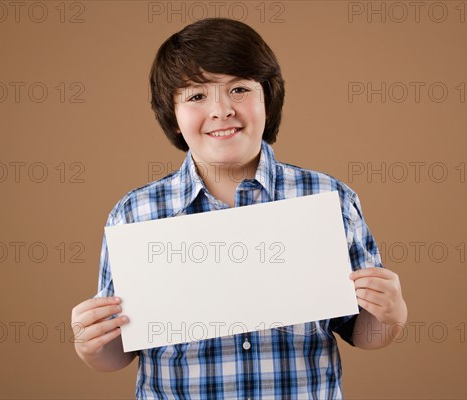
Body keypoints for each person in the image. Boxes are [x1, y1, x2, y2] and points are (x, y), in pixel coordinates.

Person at [71, 18, 407, 399]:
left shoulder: (328, 200)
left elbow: (361, 332)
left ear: (268, 99)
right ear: (173, 115)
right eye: (196, 96)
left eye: (240, 89)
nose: (221, 110)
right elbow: (118, 350)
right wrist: (92, 345)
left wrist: (389, 315)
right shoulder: (135, 214)